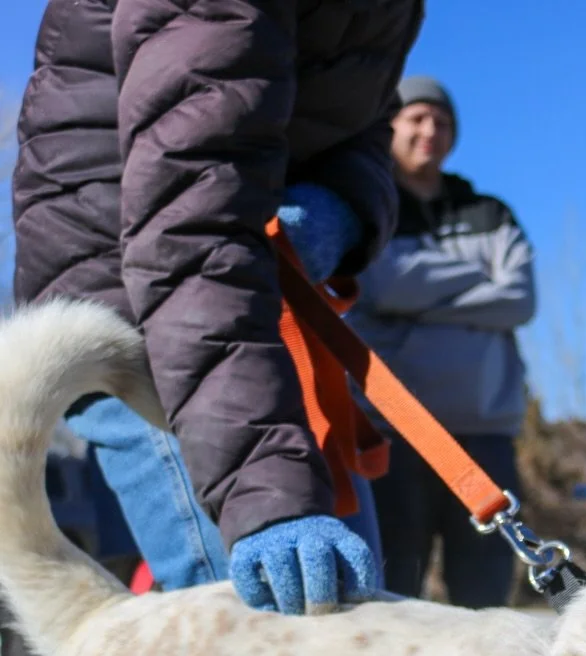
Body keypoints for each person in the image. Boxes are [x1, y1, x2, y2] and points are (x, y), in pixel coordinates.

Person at [10, 0, 425, 618]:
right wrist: (267, 499)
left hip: (252, 292)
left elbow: (363, 121)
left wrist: (342, 206)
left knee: (353, 623)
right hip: (141, 304)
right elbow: (188, 221)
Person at [347, 76, 538, 609]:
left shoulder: (490, 213)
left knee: (486, 597)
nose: (430, 130)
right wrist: (476, 282)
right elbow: (381, 283)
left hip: (485, 434)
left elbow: (519, 298)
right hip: (395, 428)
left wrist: (416, 303)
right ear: (390, 126)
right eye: (417, 117)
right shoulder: (367, 207)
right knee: (391, 591)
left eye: (442, 120)